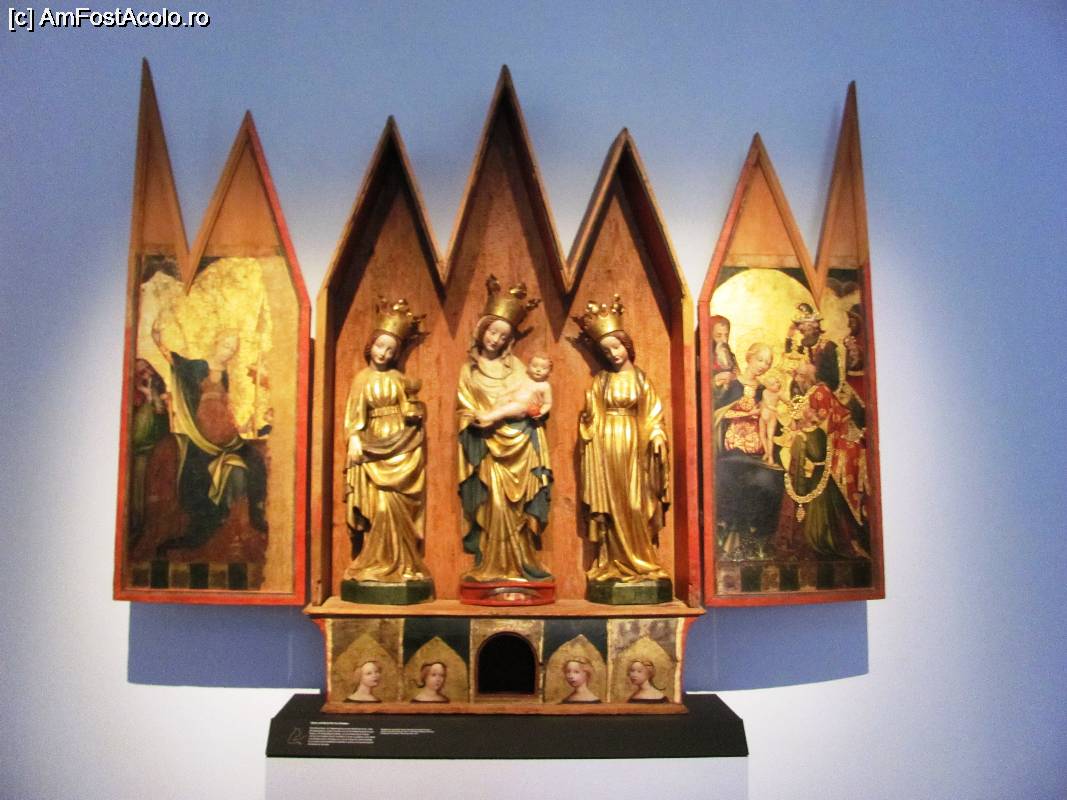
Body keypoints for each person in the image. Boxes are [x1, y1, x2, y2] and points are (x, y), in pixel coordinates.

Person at [457, 276, 552, 585]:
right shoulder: (468, 371)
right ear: (482, 329)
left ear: (510, 340)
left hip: (521, 446)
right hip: (487, 448)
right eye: (492, 331)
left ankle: (520, 563)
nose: (496, 339)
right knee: (494, 505)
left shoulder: (520, 369)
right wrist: (476, 420)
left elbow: (531, 403)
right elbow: (464, 409)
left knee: (516, 508)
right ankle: (494, 564)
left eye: (503, 336)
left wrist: (509, 413)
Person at [574, 295, 671, 590]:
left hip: (635, 447)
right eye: (606, 351)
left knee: (636, 504)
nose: (613, 354)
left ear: (626, 345)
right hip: (607, 448)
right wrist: (589, 423)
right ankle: (613, 562)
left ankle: (642, 560)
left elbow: (654, 415)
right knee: (613, 506)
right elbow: (590, 416)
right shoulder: (601, 381)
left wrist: (657, 435)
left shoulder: (642, 380)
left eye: (616, 347)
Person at [150, 319, 267, 555]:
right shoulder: (199, 367)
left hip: (226, 434)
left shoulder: (226, 376)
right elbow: (177, 364)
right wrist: (159, 341)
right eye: (226, 345)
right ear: (216, 342)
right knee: (203, 474)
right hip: (204, 434)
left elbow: (227, 408)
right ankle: (210, 520)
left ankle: (255, 516)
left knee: (255, 460)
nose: (228, 352)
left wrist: (241, 424)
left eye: (233, 349)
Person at [342, 299, 432, 587]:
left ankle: (405, 564)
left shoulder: (399, 379)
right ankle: (375, 562)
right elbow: (353, 417)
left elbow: (411, 408)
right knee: (380, 508)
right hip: (374, 449)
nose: (384, 353)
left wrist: (414, 413)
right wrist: (354, 438)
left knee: (401, 509)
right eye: (381, 346)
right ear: (371, 345)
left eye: (391, 350)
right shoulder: (362, 380)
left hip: (402, 447)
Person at [713, 342, 785, 559]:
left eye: (767, 363)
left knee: (771, 482)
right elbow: (718, 413)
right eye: (760, 360)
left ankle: (759, 538)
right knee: (730, 478)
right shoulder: (732, 385)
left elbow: (773, 420)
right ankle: (728, 536)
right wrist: (743, 414)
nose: (763, 366)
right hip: (732, 449)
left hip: (757, 450)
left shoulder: (765, 390)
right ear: (749, 358)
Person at [475, 353, 553, 426]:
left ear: (549, 372)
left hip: (523, 408)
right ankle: (491, 414)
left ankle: (487, 418)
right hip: (512, 399)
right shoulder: (525, 379)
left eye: (543, 368)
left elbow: (547, 403)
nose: (538, 370)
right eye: (535, 366)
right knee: (502, 399)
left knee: (506, 409)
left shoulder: (544, 386)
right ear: (528, 367)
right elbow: (514, 387)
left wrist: (541, 412)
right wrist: (504, 393)